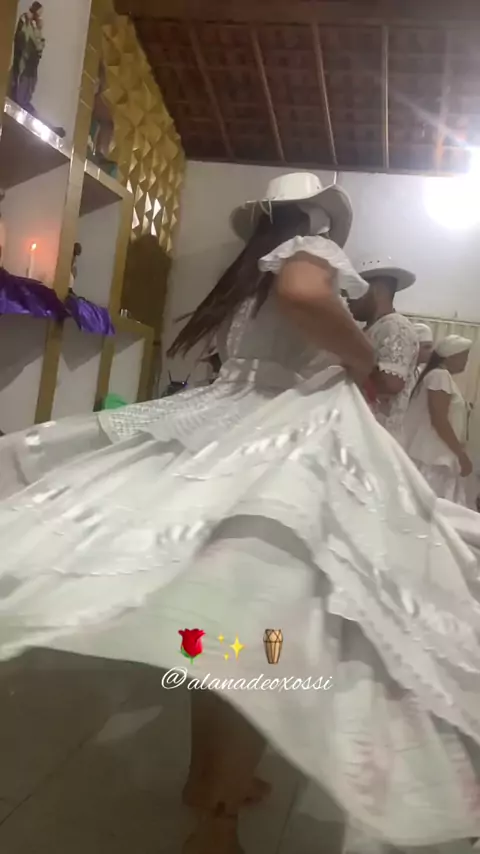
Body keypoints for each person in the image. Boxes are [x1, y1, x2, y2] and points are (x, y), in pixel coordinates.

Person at [1, 173, 480, 854]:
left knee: (224, 626)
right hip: (278, 438)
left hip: (222, 424)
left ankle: (208, 784)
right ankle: (218, 822)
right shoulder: (309, 251)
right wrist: (362, 357)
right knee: (262, 633)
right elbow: (306, 293)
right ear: (317, 220)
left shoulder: (245, 276)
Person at [349, 258, 418, 441]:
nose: (348, 299)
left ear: (375, 290)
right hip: (362, 433)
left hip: (377, 438)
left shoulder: (395, 326)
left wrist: (351, 360)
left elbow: (390, 383)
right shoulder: (372, 328)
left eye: (352, 291)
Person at [404, 334, 473, 505]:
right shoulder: (440, 376)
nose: (466, 362)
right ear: (451, 356)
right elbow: (439, 420)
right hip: (433, 457)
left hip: (434, 455)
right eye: (464, 356)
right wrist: (460, 454)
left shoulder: (438, 375)